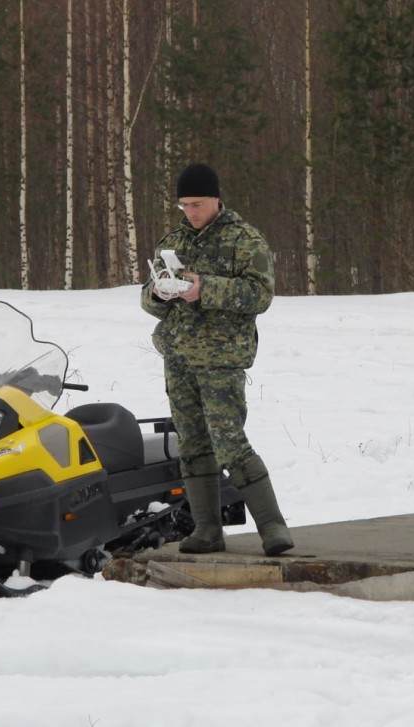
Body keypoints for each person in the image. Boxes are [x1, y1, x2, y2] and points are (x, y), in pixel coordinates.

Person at [140, 162, 294, 557]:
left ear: (216, 199)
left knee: (230, 443)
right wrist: (161, 294)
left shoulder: (244, 239)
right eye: (184, 205)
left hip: (221, 359)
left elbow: (259, 294)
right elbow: (149, 299)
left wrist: (204, 289)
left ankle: (273, 527)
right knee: (191, 444)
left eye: (197, 203)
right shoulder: (172, 242)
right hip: (179, 358)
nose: (191, 212)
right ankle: (207, 530)